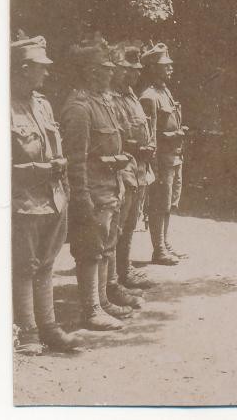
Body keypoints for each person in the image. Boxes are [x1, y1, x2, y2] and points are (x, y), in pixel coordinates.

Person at [11, 34, 81, 354]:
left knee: (46, 264)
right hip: (22, 201)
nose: (47, 72)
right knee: (24, 266)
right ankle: (27, 332)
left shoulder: (43, 104)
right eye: (41, 67)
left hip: (52, 199)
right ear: (24, 68)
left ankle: (49, 328)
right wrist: (38, 169)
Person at [61, 37, 135, 330]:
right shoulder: (79, 108)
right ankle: (91, 310)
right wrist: (81, 197)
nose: (111, 72)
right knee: (90, 249)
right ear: (91, 72)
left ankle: (102, 302)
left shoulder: (103, 102)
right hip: (92, 191)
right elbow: (75, 160)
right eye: (105, 68)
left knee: (105, 245)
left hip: (110, 186)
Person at [110, 45, 156, 289]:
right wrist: (137, 148)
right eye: (130, 69)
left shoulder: (131, 95)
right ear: (119, 70)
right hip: (124, 166)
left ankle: (124, 268)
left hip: (139, 167)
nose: (136, 74)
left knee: (130, 223)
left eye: (137, 69)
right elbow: (112, 135)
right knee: (118, 224)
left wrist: (147, 147)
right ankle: (114, 277)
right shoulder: (110, 97)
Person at [140, 42, 187, 265]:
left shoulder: (165, 92)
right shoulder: (149, 97)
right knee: (159, 204)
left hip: (174, 157)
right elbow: (150, 135)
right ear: (153, 68)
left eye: (170, 65)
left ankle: (165, 244)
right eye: (165, 65)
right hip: (162, 159)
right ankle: (158, 249)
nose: (170, 69)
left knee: (169, 203)